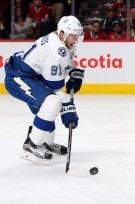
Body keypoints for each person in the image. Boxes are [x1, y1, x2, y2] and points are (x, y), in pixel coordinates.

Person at [4, 15, 84, 164]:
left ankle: (45, 143)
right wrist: (68, 107)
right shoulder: (54, 51)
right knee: (52, 103)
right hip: (18, 78)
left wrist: (74, 72)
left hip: (32, 77)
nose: (75, 40)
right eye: (73, 36)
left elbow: (66, 62)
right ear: (62, 34)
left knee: (48, 108)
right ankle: (31, 145)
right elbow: (56, 88)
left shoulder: (61, 44)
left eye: (77, 36)